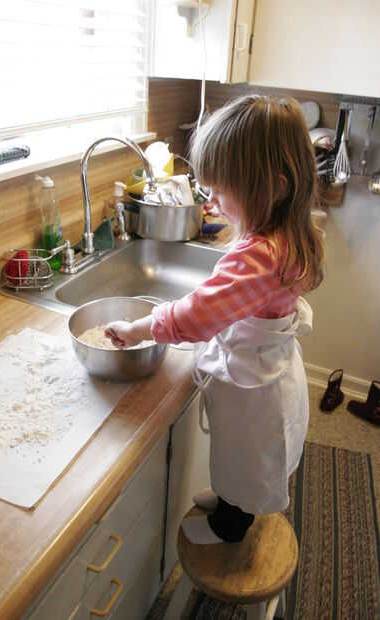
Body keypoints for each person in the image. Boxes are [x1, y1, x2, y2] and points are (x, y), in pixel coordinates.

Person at [105, 95, 325, 545]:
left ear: (274, 188)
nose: (213, 203)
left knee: (245, 458)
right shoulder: (288, 235)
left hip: (255, 391)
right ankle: (231, 497)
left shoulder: (260, 257)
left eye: (221, 192)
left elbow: (197, 315)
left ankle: (231, 525)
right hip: (267, 374)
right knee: (239, 457)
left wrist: (138, 328)